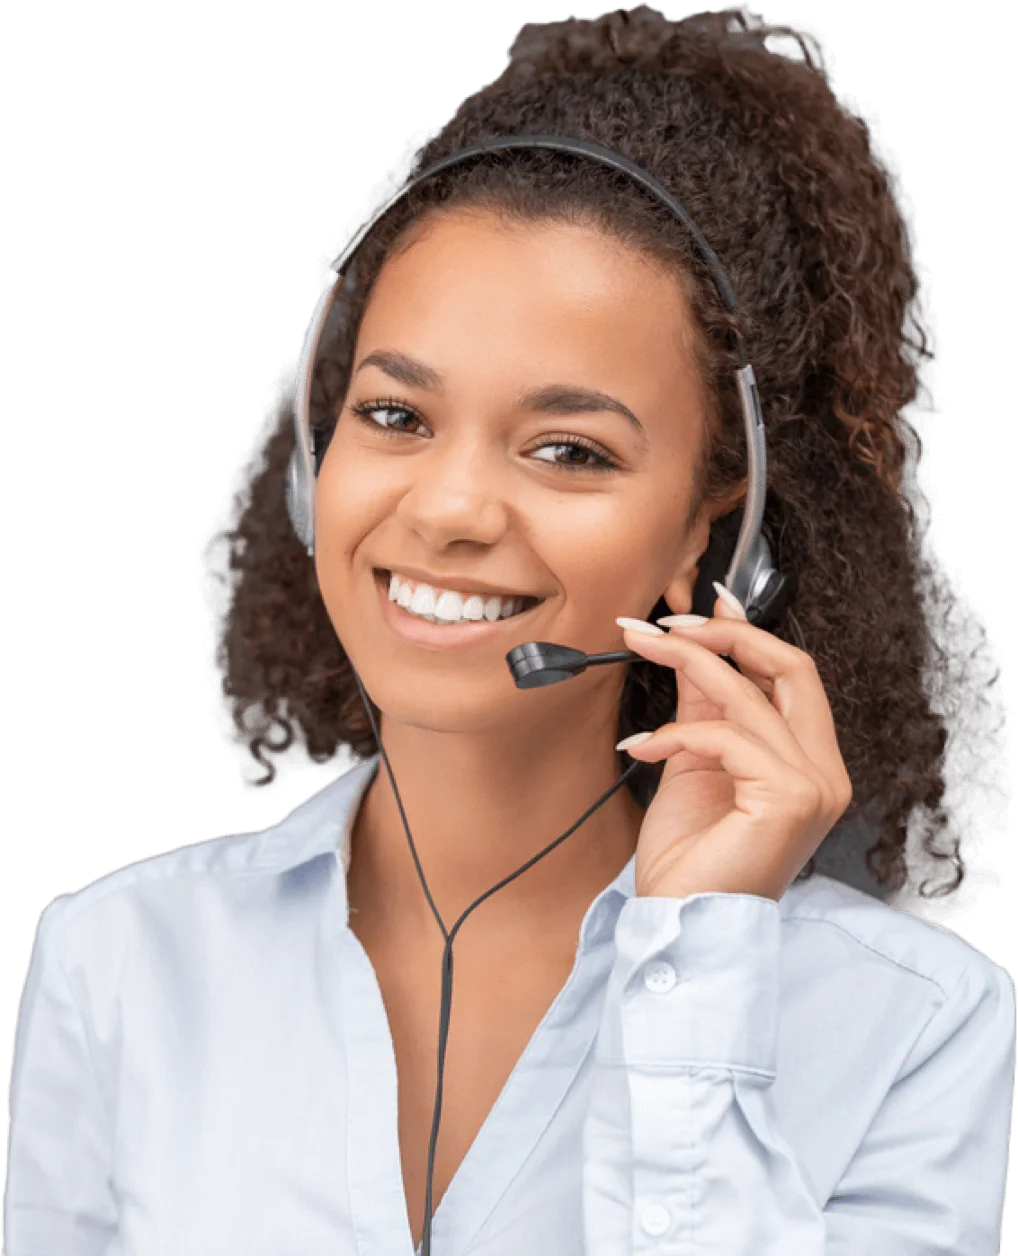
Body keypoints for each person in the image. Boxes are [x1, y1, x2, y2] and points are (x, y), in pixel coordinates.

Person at [4, 8, 1013, 1255]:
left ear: (716, 528)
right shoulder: (119, 963)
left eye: (567, 449)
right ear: (317, 458)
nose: (450, 509)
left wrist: (700, 968)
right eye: (396, 415)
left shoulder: (910, 1025)